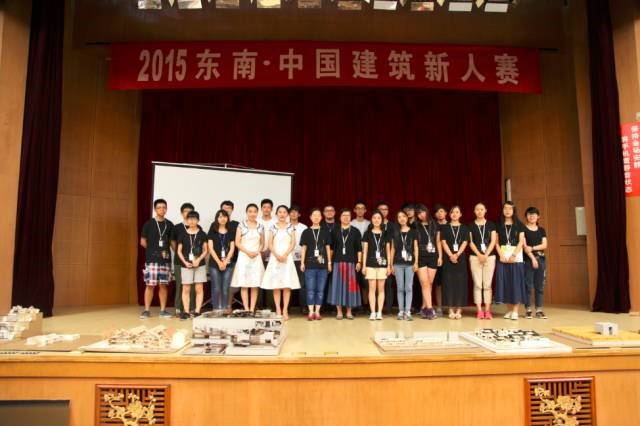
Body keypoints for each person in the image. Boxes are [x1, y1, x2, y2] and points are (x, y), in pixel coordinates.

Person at [261, 205, 301, 319]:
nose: (282, 214)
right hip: (275, 258)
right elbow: (270, 244)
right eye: (280, 212)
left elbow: (293, 243)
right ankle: (278, 309)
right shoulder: (273, 227)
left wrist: (285, 254)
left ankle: (285, 310)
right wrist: (277, 255)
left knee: (287, 285)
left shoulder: (290, 227)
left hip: (287, 258)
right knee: (276, 285)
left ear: (287, 214)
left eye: (284, 212)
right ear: (276, 214)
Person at [139, 199, 174, 319]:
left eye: (164, 207)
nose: (162, 210)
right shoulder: (148, 224)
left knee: (163, 285)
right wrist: (152, 250)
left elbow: (172, 242)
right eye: (159, 208)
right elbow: (143, 241)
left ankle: (163, 310)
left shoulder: (169, 224)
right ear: (155, 209)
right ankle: (146, 310)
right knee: (150, 285)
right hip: (152, 260)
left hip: (165, 260)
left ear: (166, 209)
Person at [328, 209, 363, 320]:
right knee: (337, 287)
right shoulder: (334, 231)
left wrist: (359, 262)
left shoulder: (355, 231)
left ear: (351, 217)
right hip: (337, 262)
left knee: (350, 288)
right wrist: (329, 262)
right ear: (340, 217)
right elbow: (331, 249)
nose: (346, 217)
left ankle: (349, 311)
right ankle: (339, 311)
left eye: (348, 215)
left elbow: (359, 249)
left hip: (351, 263)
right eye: (344, 215)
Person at [231, 204, 265, 312]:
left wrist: (257, 251)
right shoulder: (241, 225)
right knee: (244, 284)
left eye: (254, 211)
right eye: (250, 211)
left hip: (256, 257)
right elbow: (237, 242)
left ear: (257, 213)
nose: (252, 214)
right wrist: (248, 252)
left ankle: (252, 308)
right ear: (246, 212)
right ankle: (246, 308)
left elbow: (262, 243)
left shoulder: (260, 226)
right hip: (244, 257)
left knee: (255, 284)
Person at [495, 201, 526, 320]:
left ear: (514, 211)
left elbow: (521, 242)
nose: (507, 211)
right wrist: (501, 255)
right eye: (505, 208)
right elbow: (496, 243)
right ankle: (509, 309)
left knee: (516, 283)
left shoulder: (519, 225)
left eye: (510, 208)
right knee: (505, 283)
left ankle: (515, 310)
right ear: (502, 210)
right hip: (503, 257)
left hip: (515, 257)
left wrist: (513, 255)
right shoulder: (499, 225)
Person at [300, 208, 333, 320]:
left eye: (318, 215)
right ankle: (310, 312)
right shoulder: (306, 232)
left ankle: (317, 312)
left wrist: (329, 263)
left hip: (323, 266)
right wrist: (302, 263)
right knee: (310, 290)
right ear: (310, 217)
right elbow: (304, 249)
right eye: (314, 215)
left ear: (321, 217)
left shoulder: (325, 231)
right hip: (309, 266)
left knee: (320, 290)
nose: (316, 217)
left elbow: (328, 248)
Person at [176, 211, 208, 320]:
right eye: (190, 218)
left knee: (199, 288)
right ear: (187, 220)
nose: (192, 221)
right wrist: (185, 262)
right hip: (186, 264)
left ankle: (197, 311)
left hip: (200, 264)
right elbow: (179, 251)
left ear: (198, 220)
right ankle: (186, 311)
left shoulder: (202, 234)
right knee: (186, 288)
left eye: (194, 219)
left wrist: (198, 260)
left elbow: (206, 250)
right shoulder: (182, 234)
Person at [468, 202, 498, 320]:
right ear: (474, 211)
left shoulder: (491, 224)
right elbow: (471, 242)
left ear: (485, 210)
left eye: (481, 209)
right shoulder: (470, 225)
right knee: (477, 284)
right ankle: (479, 311)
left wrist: (485, 254)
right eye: (477, 209)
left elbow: (493, 241)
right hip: (475, 257)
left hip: (489, 257)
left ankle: (487, 310)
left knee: (487, 284)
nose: (479, 211)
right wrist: (479, 254)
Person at [439, 205, 469, 320]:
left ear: (460, 214)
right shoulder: (445, 228)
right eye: (452, 212)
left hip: (460, 258)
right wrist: (451, 255)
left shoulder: (464, 228)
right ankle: (451, 309)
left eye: (457, 212)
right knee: (449, 283)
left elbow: (465, 242)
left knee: (461, 283)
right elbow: (443, 242)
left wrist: (457, 254)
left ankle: (459, 309)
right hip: (448, 258)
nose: (455, 214)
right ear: (449, 214)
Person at [362, 211, 391, 320]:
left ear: (382, 220)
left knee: (381, 290)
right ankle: (373, 312)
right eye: (374, 218)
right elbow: (365, 250)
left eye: (379, 218)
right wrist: (364, 265)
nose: (376, 220)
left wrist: (389, 265)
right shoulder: (367, 233)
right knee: (372, 289)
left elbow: (388, 251)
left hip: (383, 264)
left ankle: (379, 312)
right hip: (370, 264)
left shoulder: (386, 233)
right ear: (371, 220)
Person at [390, 210, 419, 321]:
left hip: (410, 264)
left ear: (407, 218)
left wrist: (416, 262)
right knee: (400, 288)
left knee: (408, 288)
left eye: (403, 216)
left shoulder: (413, 231)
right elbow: (393, 249)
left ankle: (407, 311)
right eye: (399, 217)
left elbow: (415, 248)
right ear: (397, 219)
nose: (402, 218)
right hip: (397, 264)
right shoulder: (395, 232)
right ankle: (401, 311)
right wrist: (391, 264)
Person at [170, 202, 197, 316]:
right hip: (179, 261)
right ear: (182, 213)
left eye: (190, 211)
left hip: (193, 262)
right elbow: (172, 242)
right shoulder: (177, 227)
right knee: (180, 285)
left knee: (192, 285)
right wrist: (180, 253)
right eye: (185, 211)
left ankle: (191, 308)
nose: (188, 213)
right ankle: (178, 308)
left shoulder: (197, 228)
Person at [415, 204, 441, 320]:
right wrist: (415, 260)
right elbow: (415, 244)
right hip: (421, 256)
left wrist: (440, 256)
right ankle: (430, 309)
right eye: (418, 213)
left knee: (429, 283)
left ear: (426, 211)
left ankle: (424, 307)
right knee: (424, 283)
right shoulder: (415, 225)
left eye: (422, 212)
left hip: (433, 256)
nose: (421, 214)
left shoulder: (435, 225)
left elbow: (438, 241)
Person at [207, 209, 236, 313]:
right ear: (217, 219)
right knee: (216, 287)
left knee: (226, 287)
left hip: (228, 264)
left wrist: (225, 261)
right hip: (214, 264)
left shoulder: (231, 231)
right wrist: (219, 262)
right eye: (220, 217)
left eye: (224, 216)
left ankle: (224, 308)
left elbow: (232, 248)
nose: (222, 219)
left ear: (227, 218)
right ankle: (216, 308)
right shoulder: (212, 231)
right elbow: (210, 248)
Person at [523, 207, 548, 319]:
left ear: (538, 217)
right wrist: (533, 258)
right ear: (526, 216)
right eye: (529, 214)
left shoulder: (541, 230)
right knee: (528, 286)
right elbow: (525, 247)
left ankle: (539, 309)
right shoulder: (523, 229)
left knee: (540, 286)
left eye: (534, 214)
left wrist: (532, 248)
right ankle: (528, 309)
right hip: (528, 260)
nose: (532, 216)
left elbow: (544, 245)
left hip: (541, 260)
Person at [377, 201, 396, 314]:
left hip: (389, 257)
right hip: (375, 259)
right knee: (376, 285)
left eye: (385, 209)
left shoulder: (393, 225)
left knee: (388, 284)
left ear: (388, 211)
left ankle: (388, 308)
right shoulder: (373, 224)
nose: (383, 211)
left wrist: (391, 262)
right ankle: (376, 308)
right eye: (381, 209)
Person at [220, 200, 240, 309]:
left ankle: (228, 306)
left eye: (229, 208)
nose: (227, 210)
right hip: (219, 260)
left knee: (230, 284)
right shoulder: (215, 224)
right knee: (220, 284)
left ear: (232, 210)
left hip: (234, 258)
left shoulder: (237, 224)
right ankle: (219, 307)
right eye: (224, 208)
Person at [351, 200, 370, 307]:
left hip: (367, 255)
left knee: (366, 282)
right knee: (354, 281)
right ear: (354, 210)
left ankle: (366, 304)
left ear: (365, 210)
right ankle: (355, 304)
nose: (360, 210)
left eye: (362, 208)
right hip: (354, 255)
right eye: (357, 208)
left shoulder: (369, 223)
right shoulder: (351, 223)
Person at [289, 205, 308, 313]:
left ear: (299, 214)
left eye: (296, 212)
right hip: (288, 259)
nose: (293, 214)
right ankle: (287, 306)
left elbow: (306, 243)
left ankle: (303, 306)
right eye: (291, 212)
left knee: (302, 284)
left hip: (301, 260)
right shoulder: (285, 226)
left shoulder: (304, 227)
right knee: (288, 283)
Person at [432, 203, 448, 316]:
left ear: (446, 213)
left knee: (450, 282)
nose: (439, 213)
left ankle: (451, 306)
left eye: (441, 211)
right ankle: (439, 307)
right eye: (437, 212)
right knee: (438, 284)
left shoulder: (451, 225)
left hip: (450, 256)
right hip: (436, 257)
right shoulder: (433, 226)